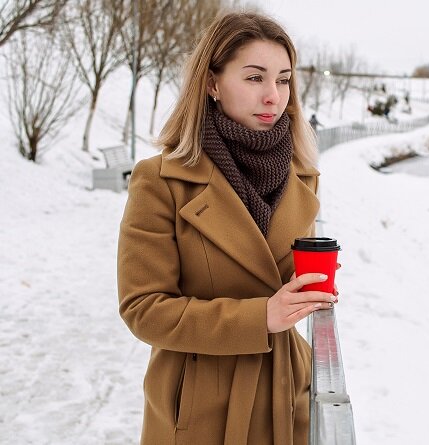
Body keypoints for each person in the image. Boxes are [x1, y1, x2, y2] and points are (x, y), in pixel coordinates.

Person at [117, 11, 338, 445]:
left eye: (283, 79)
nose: (274, 96)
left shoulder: (301, 176)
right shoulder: (161, 179)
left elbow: (278, 279)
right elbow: (143, 309)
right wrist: (261, 316)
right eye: (255, 78)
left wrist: (307, 288)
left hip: (286, 392)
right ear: (213, 84)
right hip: (201, 406)